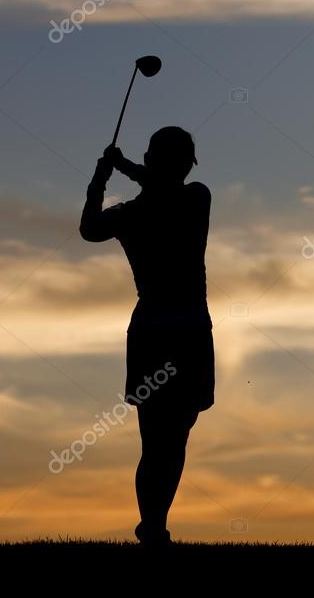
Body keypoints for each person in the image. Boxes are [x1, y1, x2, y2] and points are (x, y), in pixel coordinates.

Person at [79, 125, 214, 550]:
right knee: (164, 439)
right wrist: (105, 176)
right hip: (182, 330)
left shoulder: (187, 199)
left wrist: (107, 175)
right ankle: (152, 529)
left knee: (166, 438)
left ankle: (153, 527)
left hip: (159, 330)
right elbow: (89, 229)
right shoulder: (190, 199)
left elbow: (90, 226)